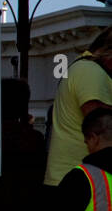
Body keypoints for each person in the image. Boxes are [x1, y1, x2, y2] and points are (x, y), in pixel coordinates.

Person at [43, 26, 112, 188]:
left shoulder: (86, 69)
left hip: (78, 177)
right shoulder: (91, 72)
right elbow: (103, 129)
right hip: (80, 180)